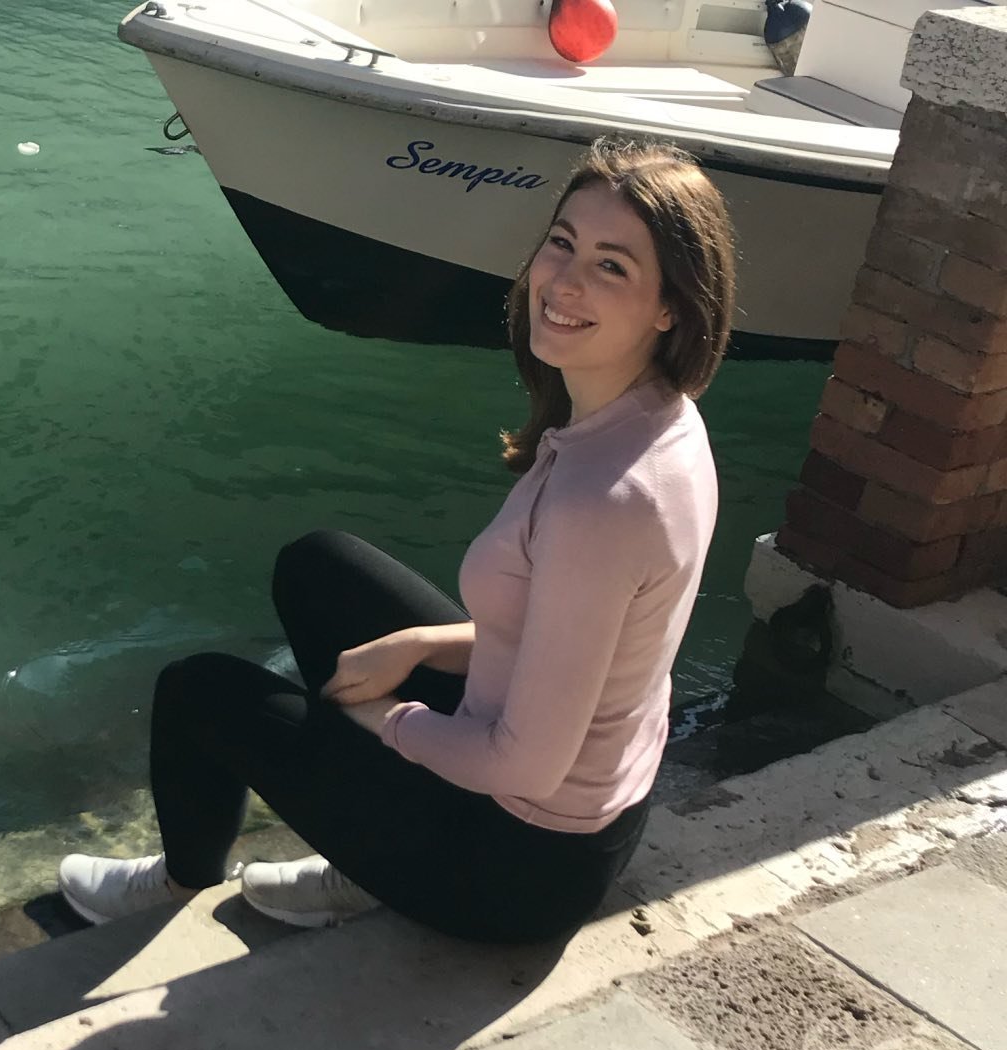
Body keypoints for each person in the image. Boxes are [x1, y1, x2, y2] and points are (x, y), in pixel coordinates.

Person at [58, 138, 736, 945]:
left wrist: (388, 721)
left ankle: (179, 884)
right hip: (583, 814)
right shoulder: (658, 417)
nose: (564, 281)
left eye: (612, 266)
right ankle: (367, 849)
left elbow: (524, 764)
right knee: (319, 569)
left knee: (197, 692)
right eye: (563, 242)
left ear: (670, 307)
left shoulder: (604, 499)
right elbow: (575, 637)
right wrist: (418, 644)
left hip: (513, 869)